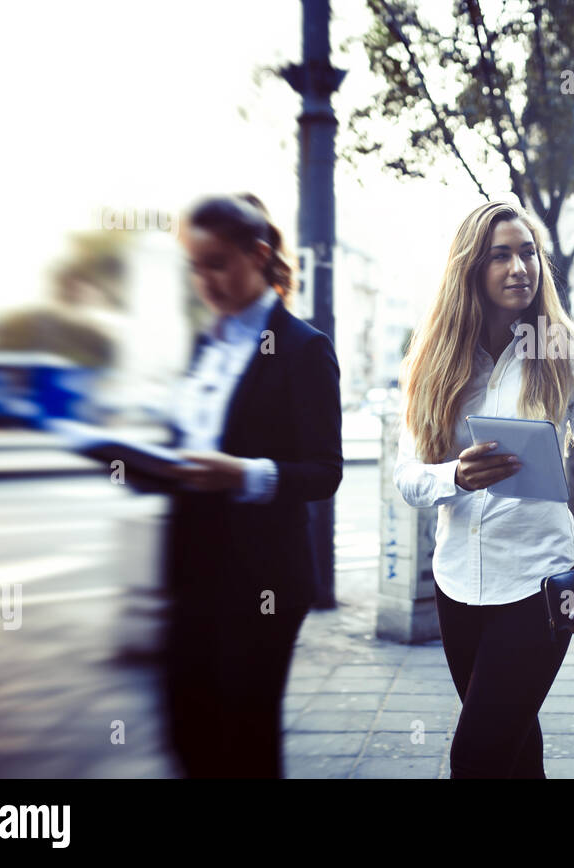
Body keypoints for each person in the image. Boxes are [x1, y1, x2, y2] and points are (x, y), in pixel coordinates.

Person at [392, 200, 574, 778]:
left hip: (539, 590)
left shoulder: (567, 356)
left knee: (474, 757)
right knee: (516, 755)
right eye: (501, 255)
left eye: (529, 253)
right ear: (471, 267)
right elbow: (408, 478)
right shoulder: (435, 363)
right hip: (457, 588)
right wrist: (455, 476)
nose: (520, 267)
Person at [161, 193, 343, 778]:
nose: (204, 279)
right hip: (190, 571)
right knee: (187, 728)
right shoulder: (203, 345)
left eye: (216, 263)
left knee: (243, 739)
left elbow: (323, 471)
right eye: (194, 266)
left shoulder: (303, 349)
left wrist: (242, 473)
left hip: (261, 580)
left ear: (258, 254)